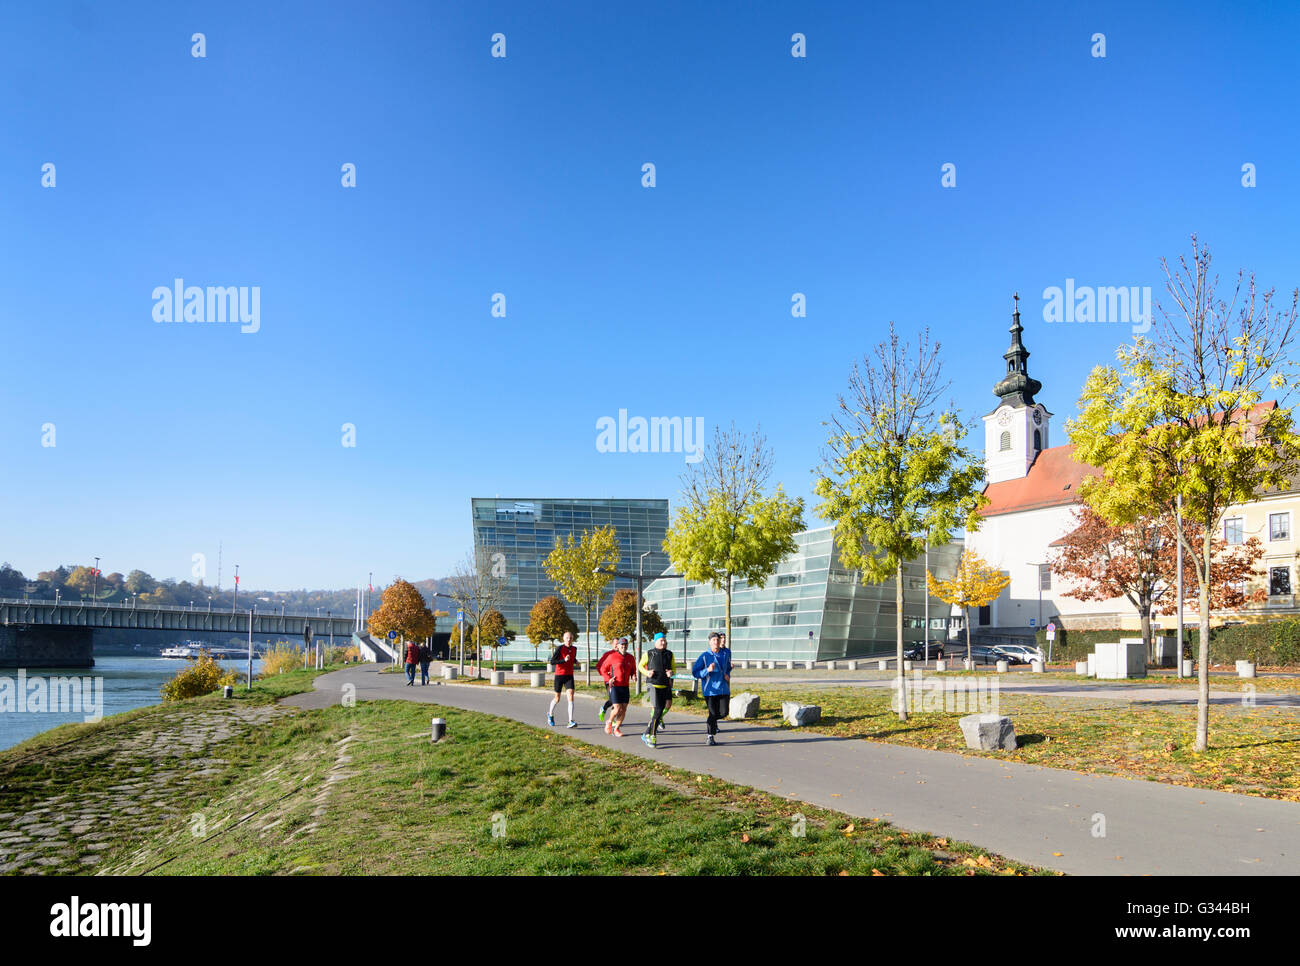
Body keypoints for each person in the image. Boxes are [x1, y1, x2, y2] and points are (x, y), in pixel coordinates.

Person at [692, 632, 732, 745]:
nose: (716, 642)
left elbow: (728, 667)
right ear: (709, 642)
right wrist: (707, 670)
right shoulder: (704, 656)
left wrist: (728, 674)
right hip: (710, 690)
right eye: (713, 640)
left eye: (718, 640)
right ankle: (710, 736)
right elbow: (695, 673)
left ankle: (712, 720)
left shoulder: (725, 654)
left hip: (723, 688)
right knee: (713, 713)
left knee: (724, 713)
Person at [638, 632, 674, 748]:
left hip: (665, 685)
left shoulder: (670, 654)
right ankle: (651, 737)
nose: (663, 642)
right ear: (655, 642)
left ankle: (646, 732)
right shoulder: (649, 653)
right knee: (658, 710)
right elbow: (640, 666)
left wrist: (671, 673)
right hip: (652, 685)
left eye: (664, 640)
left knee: (663, 709)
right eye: (661, 640)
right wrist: (647, 672)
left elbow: (674, 669)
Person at [598, 638, 636, 736]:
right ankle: (609, 721)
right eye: (622, 644)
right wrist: (608, 679)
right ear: (618, 646)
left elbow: (633, 670)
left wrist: (633, 675)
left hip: (625, 686)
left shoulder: (631, 658)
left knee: (624, 709)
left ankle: (616, 729)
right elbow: (603, 669)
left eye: (626, 644)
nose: (624, 646)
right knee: (617, 708)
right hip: (615, 685)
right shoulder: (612, 656)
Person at [546, 631, 579, 728]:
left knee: (571, 696)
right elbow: (552, 661)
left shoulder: (574, 649)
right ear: (563, 639)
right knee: (557, 698)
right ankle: (550, 714)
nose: (569, 640)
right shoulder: (560, 648)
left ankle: (570, 721)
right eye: (567, 638)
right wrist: (563, 660)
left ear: (573, 639)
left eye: (571, 638)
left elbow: (572, 658)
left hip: (569, 676)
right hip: (559, 676)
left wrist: (576, 661)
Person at [595, 638, 624, 723]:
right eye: (615, 643)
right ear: (612, 644)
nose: (616, 645)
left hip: (620, 682)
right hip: (609, 682)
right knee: (613, 700)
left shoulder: (623, 655)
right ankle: (603, 709)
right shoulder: (608, 654)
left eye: (617, 643)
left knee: (618, 701)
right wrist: (607, 676)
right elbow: (599, 666)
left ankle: (613, 719)